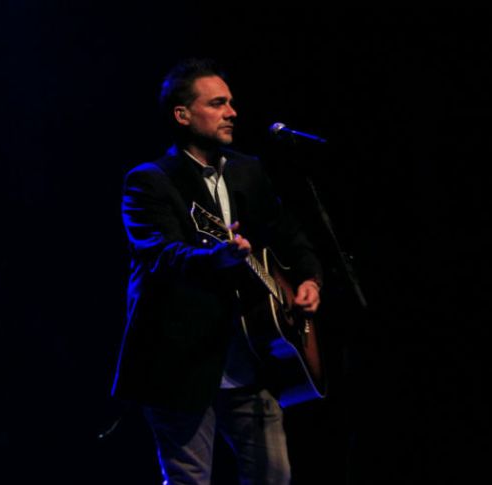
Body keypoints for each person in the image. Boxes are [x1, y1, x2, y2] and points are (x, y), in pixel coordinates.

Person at [111, 58, 324, 484]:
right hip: (180, 364)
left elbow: (290, 234)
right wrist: (217, 258)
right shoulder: (149, 181)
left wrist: (309, 279)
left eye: (231, 103)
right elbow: (160, 254)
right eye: (218, 103)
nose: (232, 112)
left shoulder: (248, 170)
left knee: (274, 475)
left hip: (252, 358)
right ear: (182, 115)